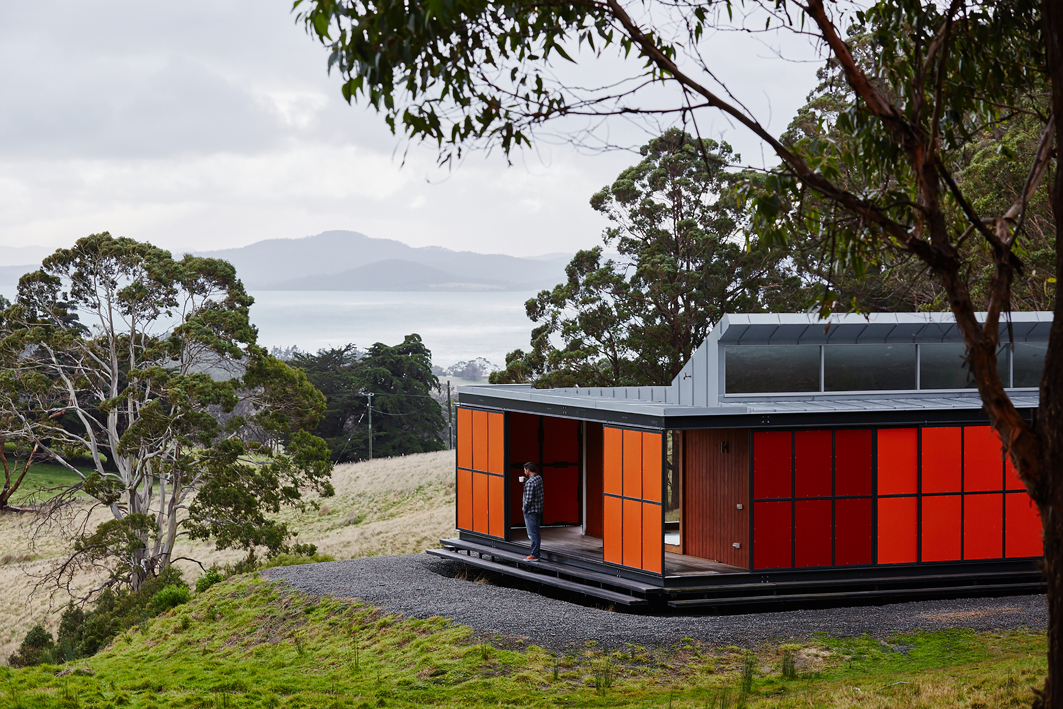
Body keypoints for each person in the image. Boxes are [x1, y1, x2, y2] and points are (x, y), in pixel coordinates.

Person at [521, 462, 544, 561]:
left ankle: (534, 554)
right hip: (538, 509)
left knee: (532, 534)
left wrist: (524, 509)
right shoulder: (538, 478)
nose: (524, 471)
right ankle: (536, 553)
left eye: (525, 470)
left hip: (531, 511)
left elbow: (529, 499)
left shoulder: (530, 483)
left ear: (528, 470)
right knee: (536, 532)